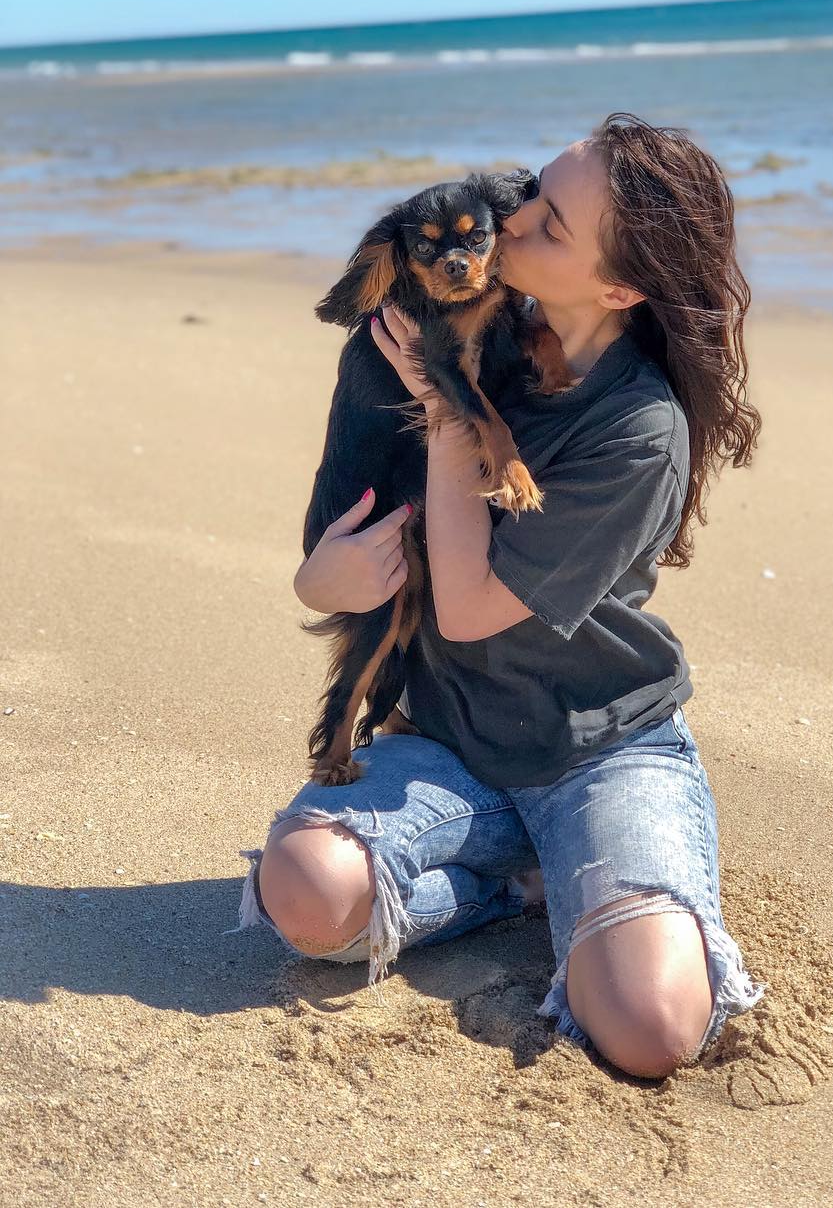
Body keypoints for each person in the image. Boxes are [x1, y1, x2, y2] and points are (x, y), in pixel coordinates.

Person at [226, 112, 768, 1080]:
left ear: (618, 286)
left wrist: (446, 419)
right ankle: (518, 887)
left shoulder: (636, 430)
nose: (504, 223)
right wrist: (319, 577)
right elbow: (341, 522)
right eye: (524, 198)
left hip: (594, 745)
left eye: (545, 223)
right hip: (448, 738)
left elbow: (469, 608)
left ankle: (577, 884)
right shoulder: (449, 337)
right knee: (303, 899)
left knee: (647, 1031)